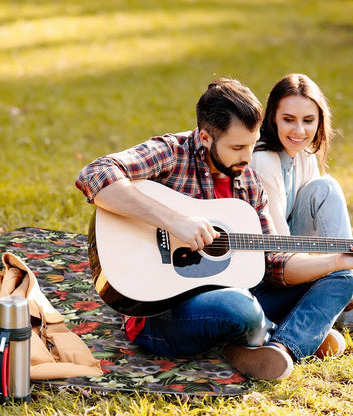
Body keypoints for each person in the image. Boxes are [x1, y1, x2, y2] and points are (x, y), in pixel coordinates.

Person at [76, 77, 353, 381]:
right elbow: (95, 174)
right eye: (237, 147)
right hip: (162, 312)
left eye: (252, 144)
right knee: (240, 308)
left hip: (241, 293)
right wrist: (173, 220)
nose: (248, 158)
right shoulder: (171, 152)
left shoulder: (247, 180)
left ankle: (281, 347)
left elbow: (274, 262)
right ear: (206, 138)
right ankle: (291, 332)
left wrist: (334, 261)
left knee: (344, 277)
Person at [250, 73, 353, 329]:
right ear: (273, 117)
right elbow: (279, 250)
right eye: (288, 119)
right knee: (326, 187)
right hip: (266, 270)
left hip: (293, 255)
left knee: (324, 187)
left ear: (319, 121)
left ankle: (343, 288)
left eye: (308, 120)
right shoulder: (263, 160)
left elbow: (315, 229)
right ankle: (342, 295)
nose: (299, 131)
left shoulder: (303, 154)